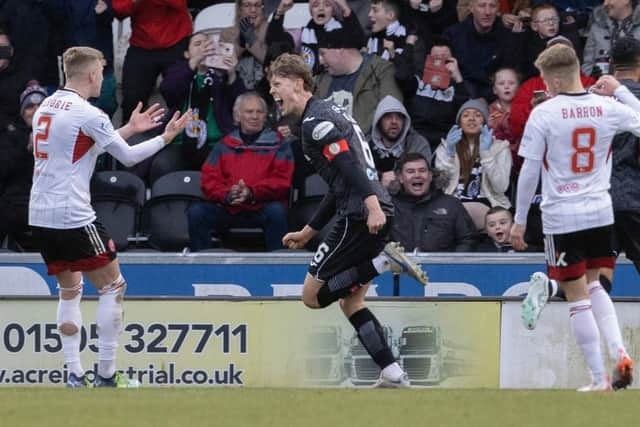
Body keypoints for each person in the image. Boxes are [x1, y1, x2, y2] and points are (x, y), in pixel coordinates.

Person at [29, 46, 191, 388]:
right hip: (73, 213)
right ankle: (105, 373)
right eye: (101, 72)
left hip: (40, 214)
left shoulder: (46, 105)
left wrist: (130, 128)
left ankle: (74, 373)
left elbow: (86, 145)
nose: (103, 78)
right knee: (113, 286)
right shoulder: (90, 113)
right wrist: (165, 137)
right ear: (91, 75)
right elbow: (129, 159)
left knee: (70, 289)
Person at [268, 53, 428, 388]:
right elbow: (340, 180)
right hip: (374, 209)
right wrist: (309, 230)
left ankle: (384, 262)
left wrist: (370, 206)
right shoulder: (326, 114)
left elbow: (349, 168)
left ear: (298, 84)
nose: (272, 92)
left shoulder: (315, 123)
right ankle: (392, 373)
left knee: (312, 296)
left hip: (361, 214)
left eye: (277, 84)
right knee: (351, 302)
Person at [512, 43, 636, 391]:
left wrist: (520, 219)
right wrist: (621, 91)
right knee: (596, 285)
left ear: (552, 79)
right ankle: (620, 352)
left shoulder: (545, 114)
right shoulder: (606, 107)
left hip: (561, 216)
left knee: (576, 295)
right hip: (600, 211)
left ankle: (598, 379)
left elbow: (529, 171)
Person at [188, 92, 294, 252]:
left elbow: (281, 181)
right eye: (249, 112)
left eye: (259, 112)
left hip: (262, 207)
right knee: (197, 213)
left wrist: (251, 192)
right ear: (237, 116)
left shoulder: (279, 144)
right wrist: (228, 194)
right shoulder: (224, 145)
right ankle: (202, 264)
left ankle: (278, 265)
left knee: (277, 212)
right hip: (229, 207)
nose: (255, 116)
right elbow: (209, 180)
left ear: (265, 116)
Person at [160, 31, 245, 173]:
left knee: (223, 169)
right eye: (197, 44)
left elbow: (240, 105)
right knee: (162, 166)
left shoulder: (222, 75)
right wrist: (194, 62)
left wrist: (231, 74)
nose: (203, 48)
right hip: (179, 141)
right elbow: (169, 92)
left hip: (215, 142)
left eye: (208, 44)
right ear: (187, 54)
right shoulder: (178, 71)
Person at [435, 99, 512, 230]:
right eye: (466, 115)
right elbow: (440, 185)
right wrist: (449, 154)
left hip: (490, 204)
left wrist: (486, 154)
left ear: (485, 121)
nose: (471, 119)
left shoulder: (500, 148)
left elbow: (501, 187)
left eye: (477, 115)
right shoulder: (446, 146)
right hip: (454, 202)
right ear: (459, 123)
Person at [314, 25, 402, 134]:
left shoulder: (381, 71)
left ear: (339, 49)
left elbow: (391, 113)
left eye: (323, 53)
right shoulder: (321, 79)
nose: (320, 61)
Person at [112, 0, 192, 121]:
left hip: (176, 42)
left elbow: (179, 3)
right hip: (141, 45)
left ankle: (180, 133)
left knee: (180, 94)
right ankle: (130, 133)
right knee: (131, 99)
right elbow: (119, 11)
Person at [394, 35, 470, 153]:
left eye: (445, 58)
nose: (439, 62)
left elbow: (465, 112)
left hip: (443, 144)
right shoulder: (418, 81)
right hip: (414, 140)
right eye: (435, 58)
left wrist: (457, 76)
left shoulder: (459, 86)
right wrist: (409, 45)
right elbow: (401, 76)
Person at [391, 152, 476, 252]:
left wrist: (453, 264)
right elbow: (379, 243)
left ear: (430, 176)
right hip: (400, 267)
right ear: (400, 178)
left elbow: (468, 240)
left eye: (422, 170)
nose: (417, 175)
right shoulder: (390, 206)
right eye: (410, 171)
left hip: (443, 266)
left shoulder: (451, 204)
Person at [442, 0, 523, 100]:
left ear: (498, 8)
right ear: (471, 8)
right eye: (482, 6)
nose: (487, 12)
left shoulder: (508, 35)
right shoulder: (453, 35)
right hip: (461, 96)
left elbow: (510, 72)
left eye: (492, 6)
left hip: (496, 97)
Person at [0, 81, 46, 251]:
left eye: (40, 105)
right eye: (30, 107)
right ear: (22, 112)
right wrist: (25, 150)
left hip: (49, 204)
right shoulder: (10, 137)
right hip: (15, 205)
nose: (35, 111)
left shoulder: (61, 134)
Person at [609, 36, 640, 276]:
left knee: (598, 274)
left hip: (597, 200)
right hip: (633, 197)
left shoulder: (592, 99)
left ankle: (554, 286)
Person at [368, 95, 432, 192]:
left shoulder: (418, 144)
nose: (394, 121)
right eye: (388, 117)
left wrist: (397, 179)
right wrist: (380, 178)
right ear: (379, 121)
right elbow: (357, 174)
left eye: (399, 117)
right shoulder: (364, 144)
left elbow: (423, 178)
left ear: (405, 121)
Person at [582, 0, 640, 78]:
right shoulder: (596, 28)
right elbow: (587, 64)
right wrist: (593, 74)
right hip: (603, 86)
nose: (605, 3)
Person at [488, 68, 520, 146]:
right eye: (501, 83)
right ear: (495, 90)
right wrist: (490, 126)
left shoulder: (525, 108)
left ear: (519, 88)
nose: (506, 86)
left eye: (511, 83)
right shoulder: (490, 111)